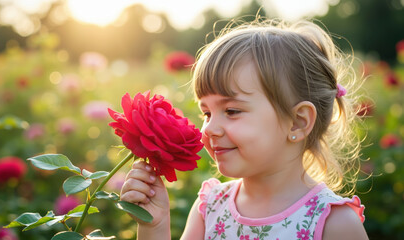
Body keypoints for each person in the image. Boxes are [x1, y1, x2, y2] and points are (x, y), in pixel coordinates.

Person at [120, 17, 369, 240]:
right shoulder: (210, 207)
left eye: (231, 111)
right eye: (206, 113)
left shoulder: (333, 223)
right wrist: (155, 226)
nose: (209, 129)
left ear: (298, 121)